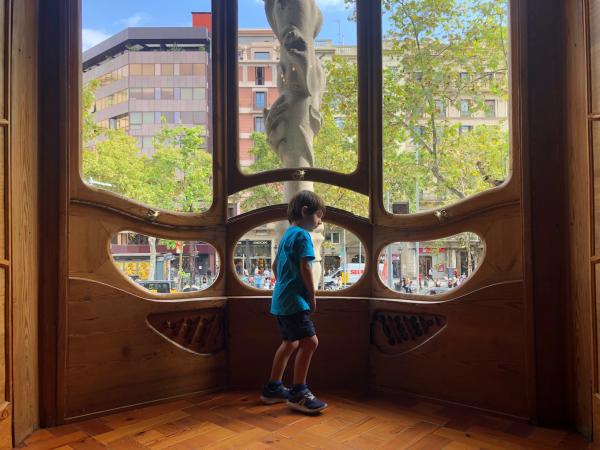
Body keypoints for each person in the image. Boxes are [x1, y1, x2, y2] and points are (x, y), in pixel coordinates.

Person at [260, 190, 327, 414]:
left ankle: (273, 388)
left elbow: (274, 265)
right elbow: (306, 267)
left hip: (281, 300)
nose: (320, 221)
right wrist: (311, 295)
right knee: (311, 342)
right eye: (318, 216)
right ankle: (299, 393)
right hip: (295, 302)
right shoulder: (302, 236)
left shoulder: (287, 234)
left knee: (290, 343)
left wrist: (284, 285)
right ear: (305, 211)